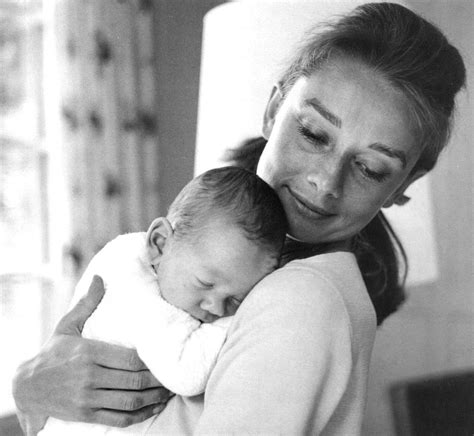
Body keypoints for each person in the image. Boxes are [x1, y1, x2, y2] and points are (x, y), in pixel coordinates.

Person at [13, 3, 466, 435]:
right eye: (313, 134)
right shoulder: (234, 266)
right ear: (272, 111)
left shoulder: (304, 295)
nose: (326, 182)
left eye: (370, 168)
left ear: (406, 182)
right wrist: (33, 387)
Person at [38, 166, 286, 435]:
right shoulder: (138, 296)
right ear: (159, 242)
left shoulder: (132, 253)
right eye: (205, 283)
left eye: (236, 299)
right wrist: (237, 320)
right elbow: (186, 374)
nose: (215, 307)